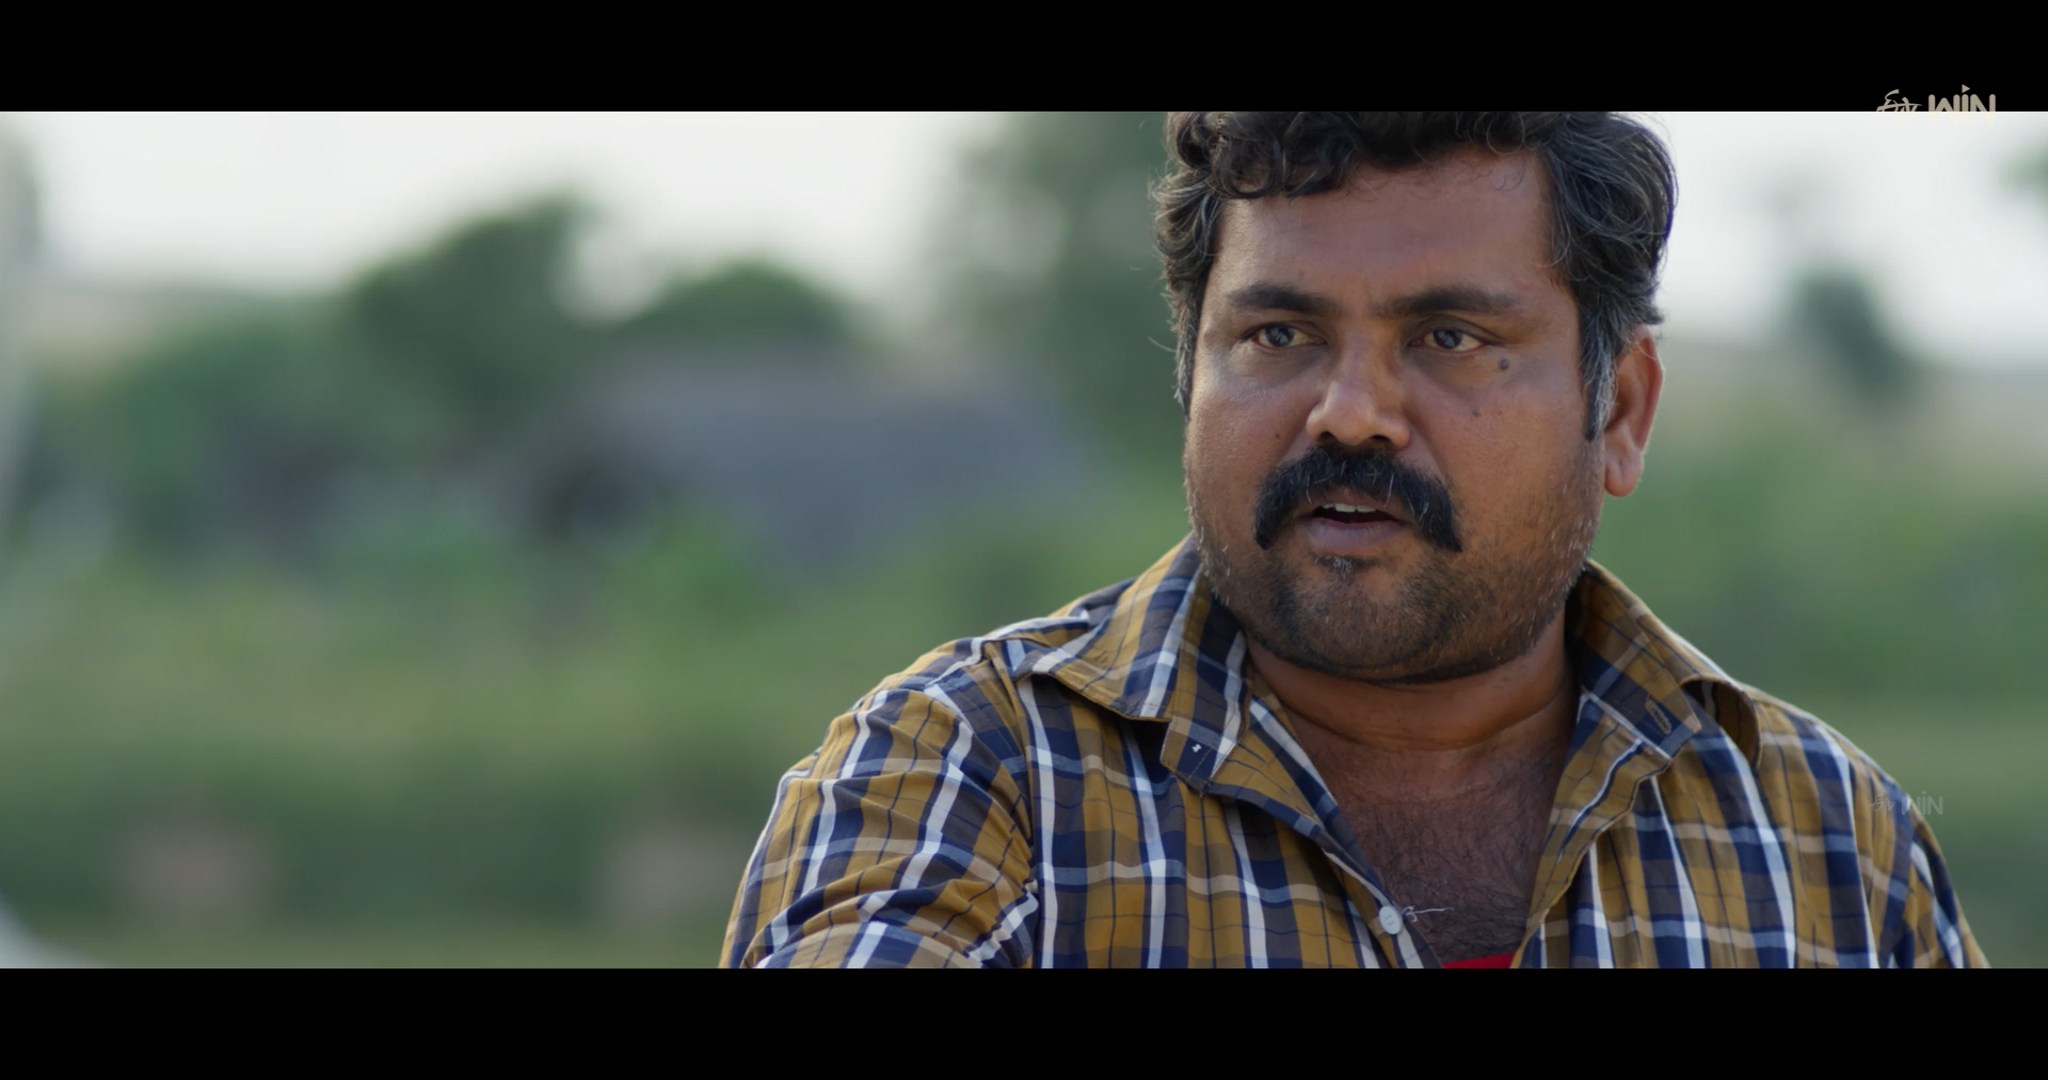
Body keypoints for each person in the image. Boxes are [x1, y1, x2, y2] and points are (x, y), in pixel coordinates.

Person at [719, 112, 1986, 968]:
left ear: (1619, 412)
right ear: (1190, 375)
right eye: (1278, 335)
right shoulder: (968, 779)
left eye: (1449, 338)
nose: (1349, 413)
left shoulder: (1826, 842)